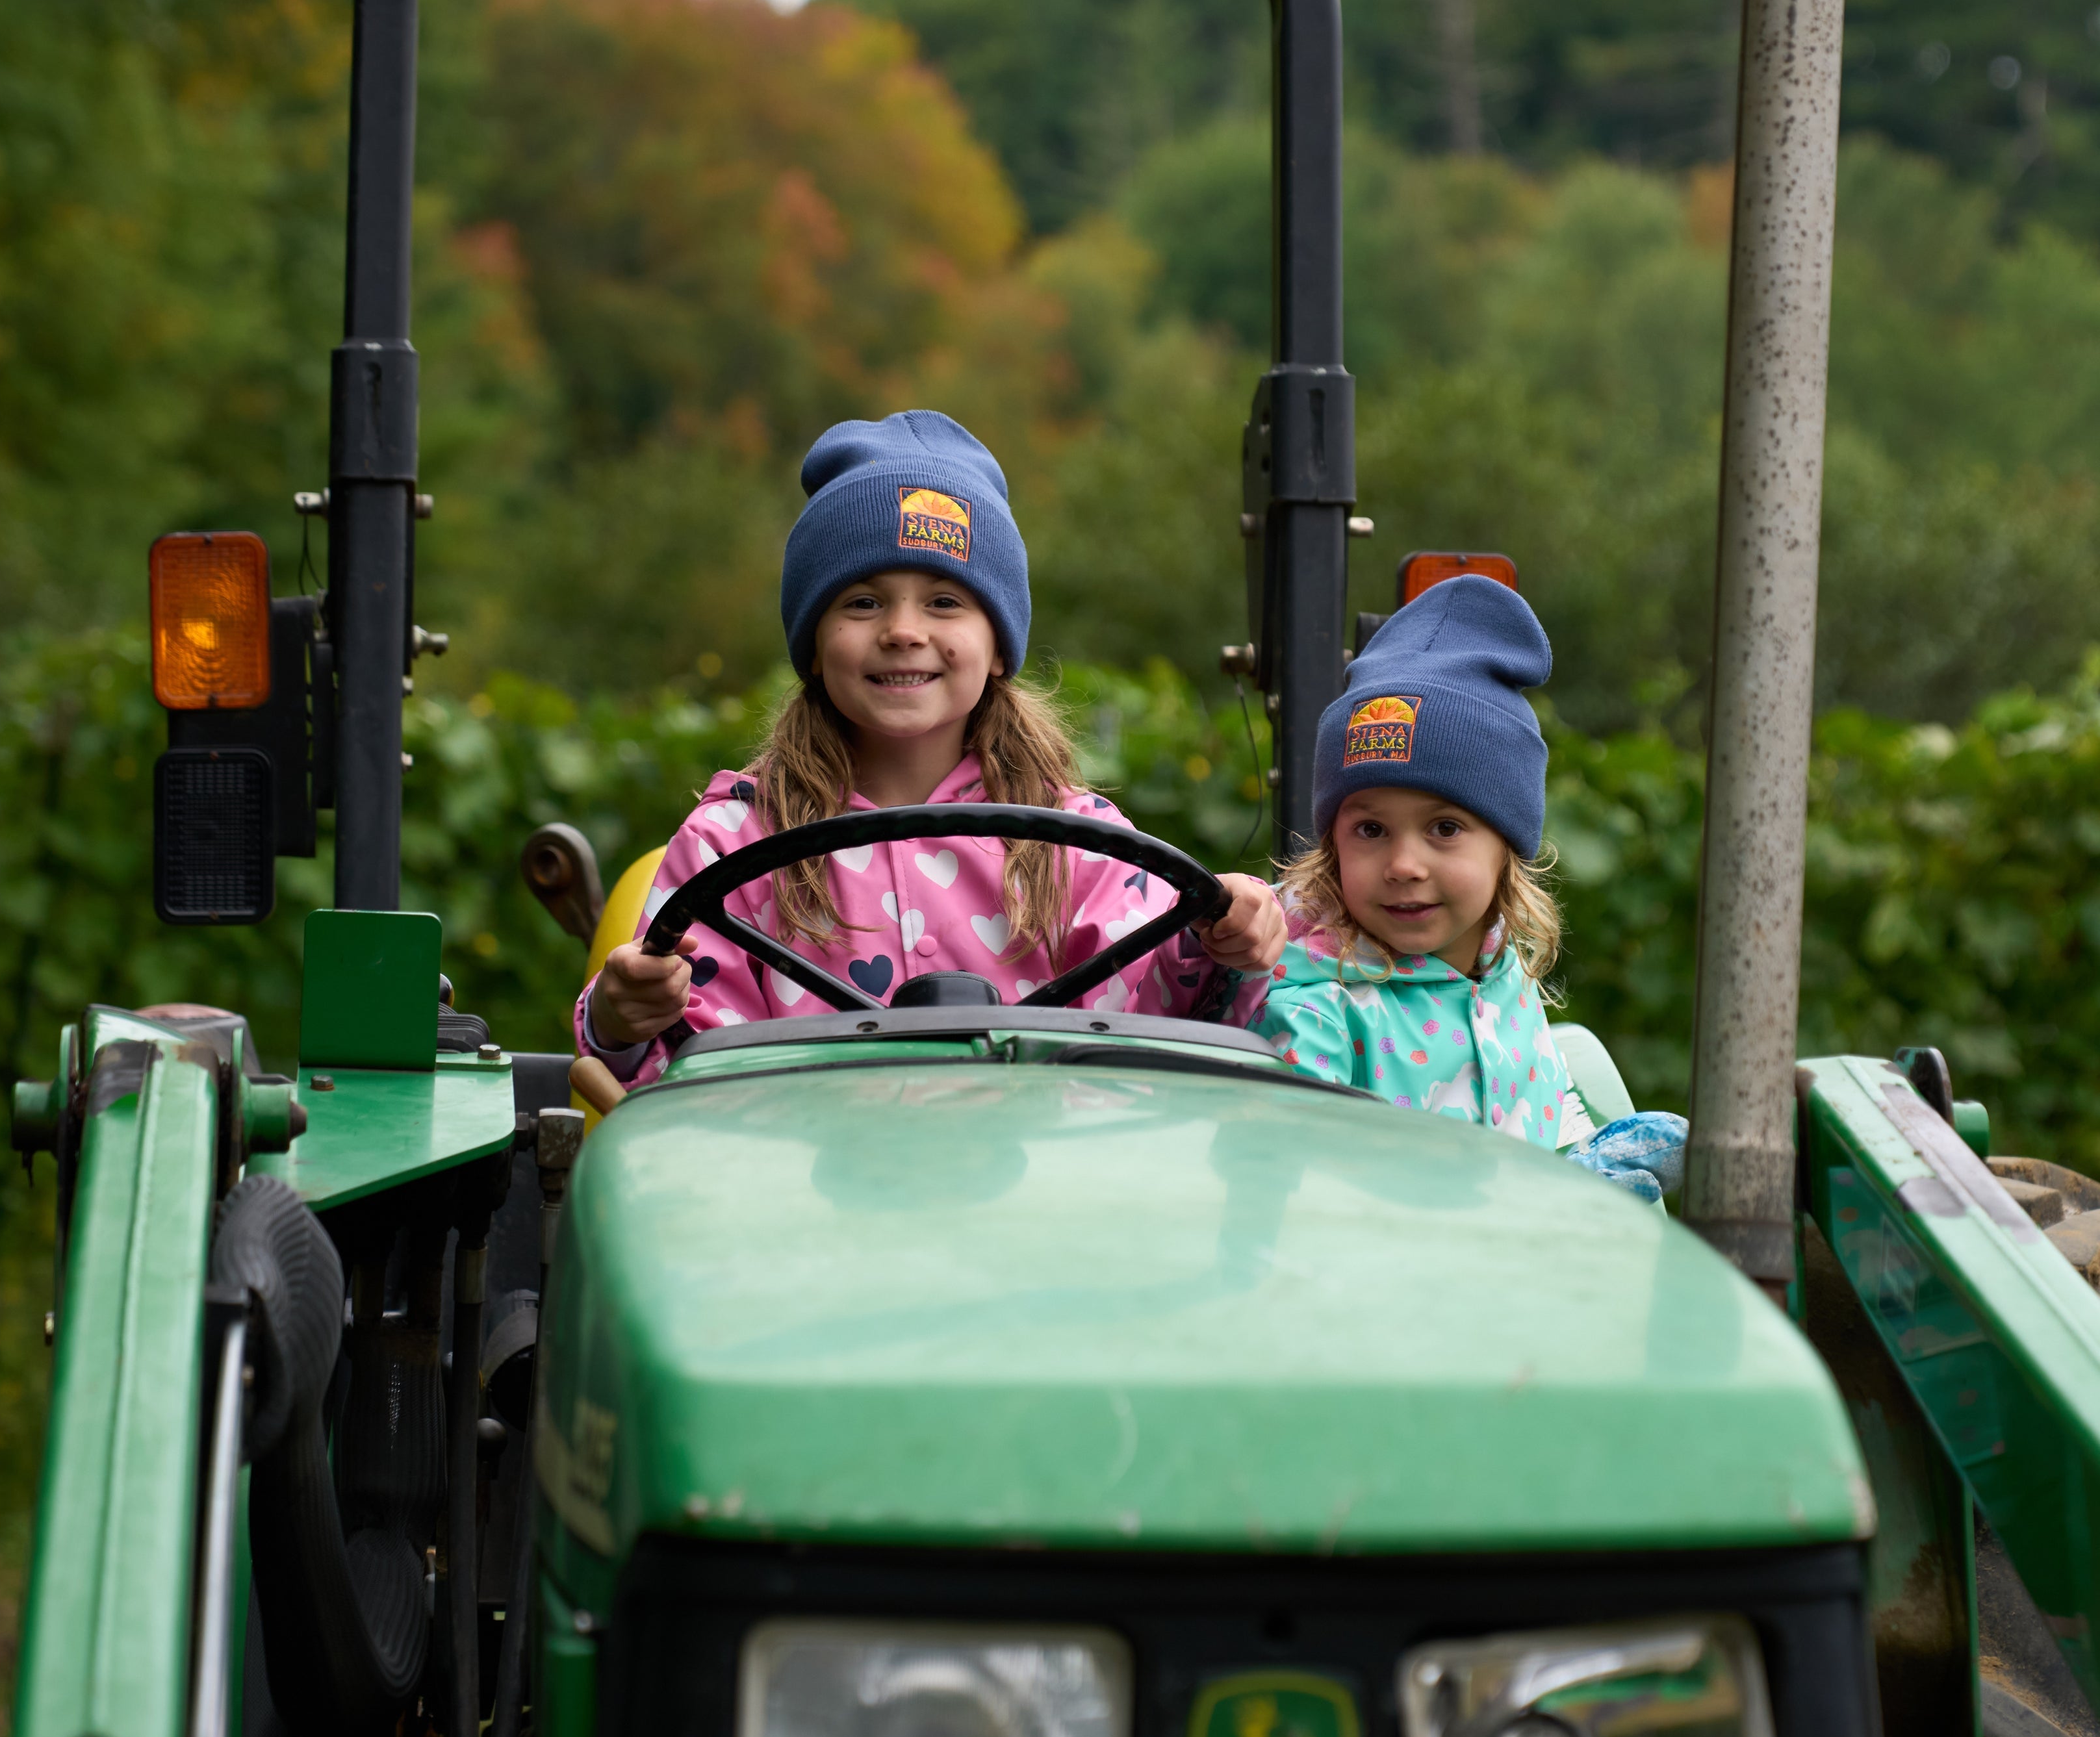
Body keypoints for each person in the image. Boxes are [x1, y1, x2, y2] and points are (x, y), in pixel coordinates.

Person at [577, 410, 1287, 1085]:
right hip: (800, 1188)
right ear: (814, 647)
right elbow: (691, 1072)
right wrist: (624, 1017)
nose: (903, 631)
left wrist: (1219, 944)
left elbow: (1164, 1016)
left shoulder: (1083, 847)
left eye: (945, 602)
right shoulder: (732, 846)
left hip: (1040, 1190)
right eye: (863, 602)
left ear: (999, 647)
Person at [1238, 573, 1686, 1203]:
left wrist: (1574, 1167)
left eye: (1444, 828)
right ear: (1332, 841)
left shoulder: (1504, 977)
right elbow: (1309, 1201)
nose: (1403, 863)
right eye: (1370, 828)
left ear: (1507, 842)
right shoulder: (1316, 1017)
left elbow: (1539, 1117)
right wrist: (1551, 1199)